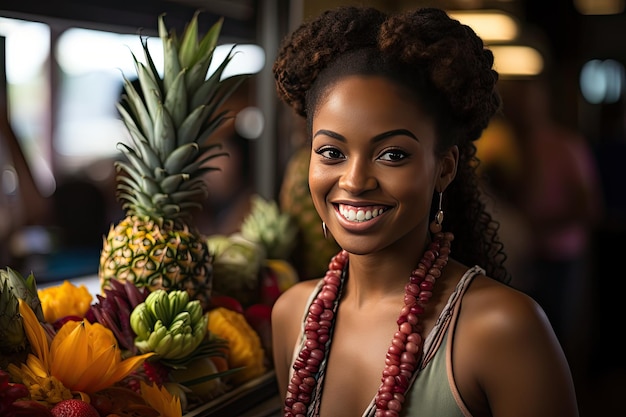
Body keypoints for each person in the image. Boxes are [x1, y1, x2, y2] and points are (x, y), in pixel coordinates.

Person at [270, 6, 579, 417]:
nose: (355, 181)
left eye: (392, 154)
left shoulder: (503, 329)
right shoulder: (291, 316)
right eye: (331, 152)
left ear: (445, 168)